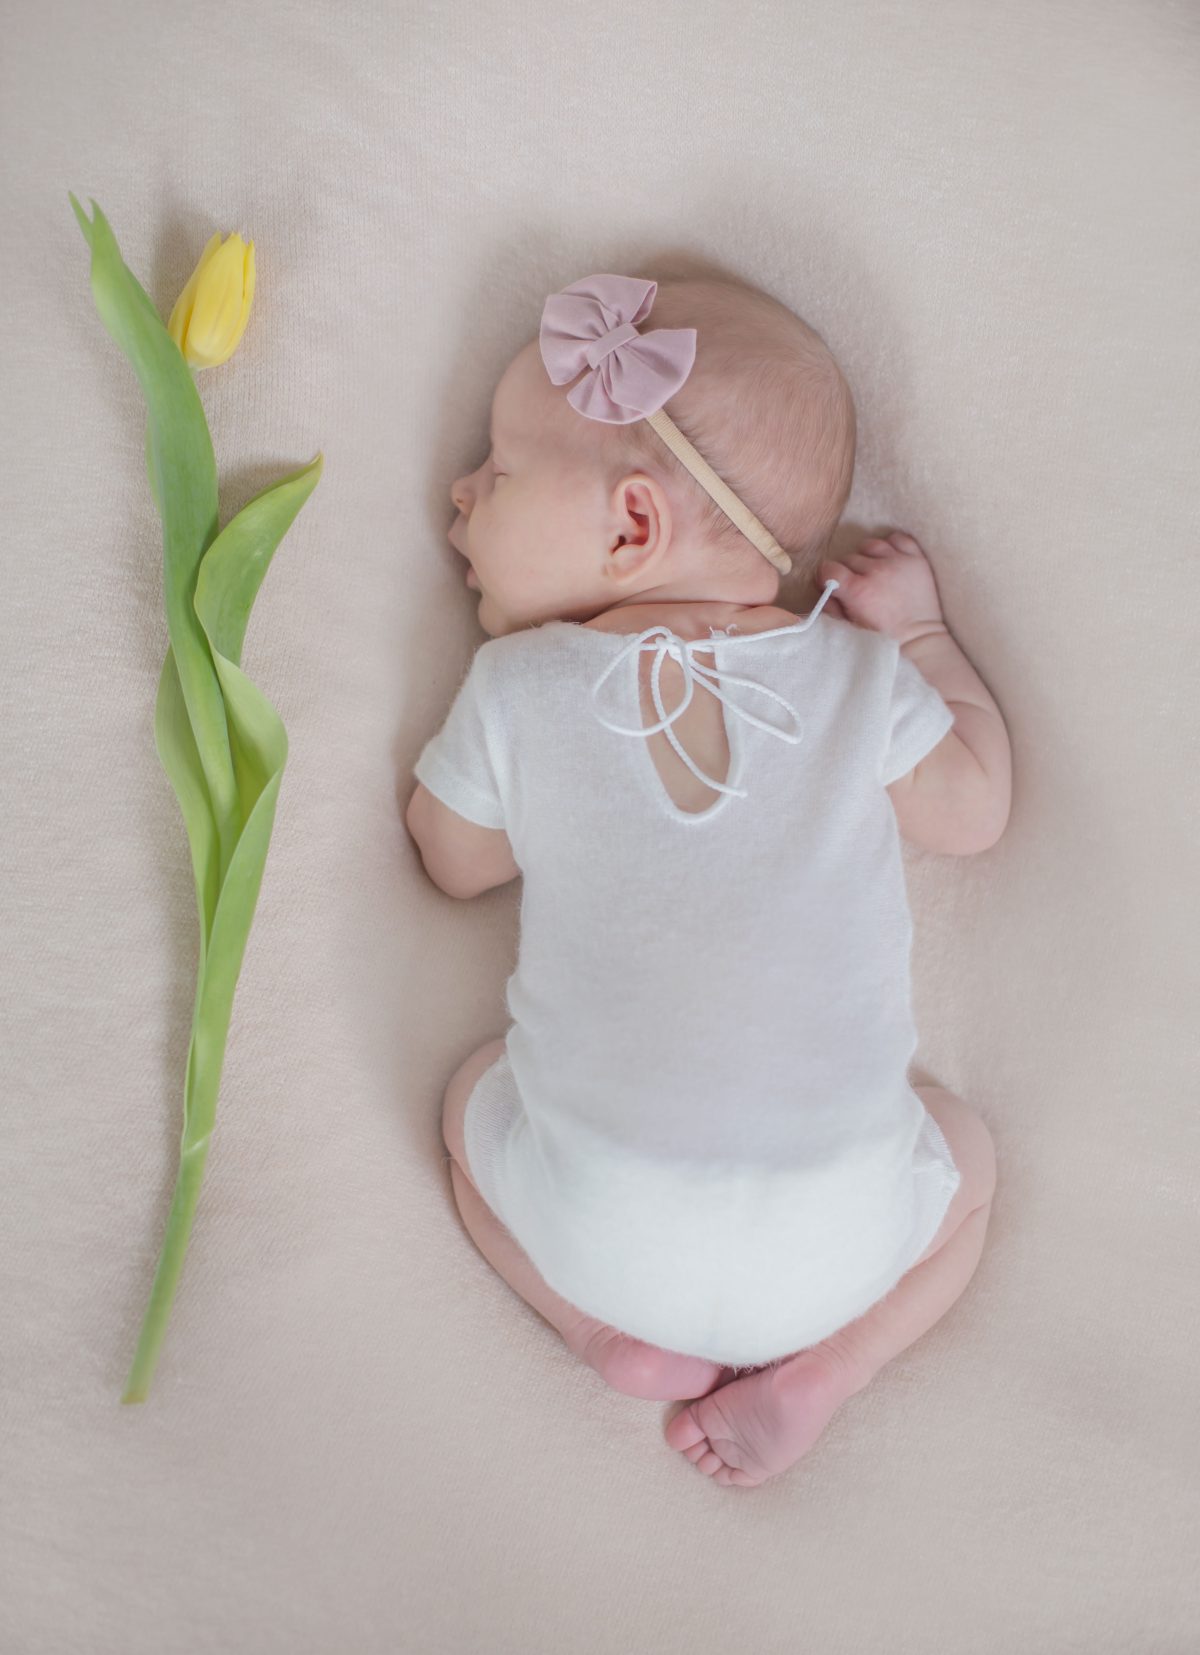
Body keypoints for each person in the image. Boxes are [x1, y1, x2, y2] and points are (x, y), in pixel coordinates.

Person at [406, 272, 1010, 1488]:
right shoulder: (856, 676)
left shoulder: (519, 688)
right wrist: (921, 638)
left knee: (470, 1100)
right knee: (971, 1161)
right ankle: (834, 1366)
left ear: (632, 528)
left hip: (601, 1229)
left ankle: (603, 1339)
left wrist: (489, 793)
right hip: (839, 1240)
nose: (456, 495)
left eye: (498, 472)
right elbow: (975, 810)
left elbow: (454, 864)